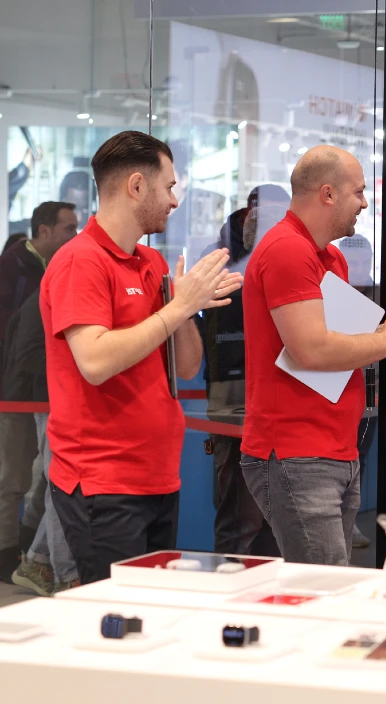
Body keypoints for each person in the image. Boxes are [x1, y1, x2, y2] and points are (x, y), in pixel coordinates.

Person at [42, 131, 243, 585]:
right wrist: (176, 307)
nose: (174, 200)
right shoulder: (82, 261)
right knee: (115, 620)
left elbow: (187, 367)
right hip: (103, 481)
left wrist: (186, 306)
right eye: (169, 187)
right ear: (136, 186)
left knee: (151, 613)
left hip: (157, 475)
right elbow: (93, 361)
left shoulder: (151, 262)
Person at [241, 146, 386, 567]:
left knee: (332, 586)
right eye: (357, 192)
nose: (364, 202)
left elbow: (337, 341)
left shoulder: (330, 256)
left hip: (335, 448)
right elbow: (311, 350)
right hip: (295, 451)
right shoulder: (287, 250)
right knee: (323, 590)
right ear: (327, 194)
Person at [201, 186, 289, 557]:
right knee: (240, 514)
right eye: (260, 212)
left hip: (277, 391)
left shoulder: (284, 253)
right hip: (230, 388)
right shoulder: (220, 256)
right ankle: (227, 592)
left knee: (273, 518)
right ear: (249, 212)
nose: (263, 220)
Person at [0, 201, 79, 581]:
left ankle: (32, 557)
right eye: (68, 228)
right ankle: (21, 562)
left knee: (45, 482)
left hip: (46, 396)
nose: (75, 236)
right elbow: (24, 348)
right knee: (19, 480)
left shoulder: (53, 272)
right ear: (44, 231)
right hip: (28, 394)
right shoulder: (17, 269)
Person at [7, 288, 78, 595]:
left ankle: (37, 561)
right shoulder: (42, 299)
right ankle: (65, 575)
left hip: (64, 404)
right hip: (50, 405)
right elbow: (28, 356)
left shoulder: (60, 296)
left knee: (59, 489)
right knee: (61, 489)